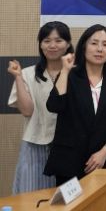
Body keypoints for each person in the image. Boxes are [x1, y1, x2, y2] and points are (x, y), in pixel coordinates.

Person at [44, 24, 106, 184]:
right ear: (84, 47)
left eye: (105, 44)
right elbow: (54, 106)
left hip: (104, 161)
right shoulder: (70, 76)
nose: (100, 49)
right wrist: (65, 70)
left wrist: (105, 151)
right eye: (94, 43)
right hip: (70, 161)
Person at [7, 22, 73, 194]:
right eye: (46, 41)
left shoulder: (77, 74)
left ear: (68, 44)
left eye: (58, 40)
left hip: (69, 147)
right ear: (40, 45)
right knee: (30, 196)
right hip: (35, 143)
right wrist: (18, 77)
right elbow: (27, 111)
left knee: (67, 199)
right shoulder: (27, 73)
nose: (52, 45)